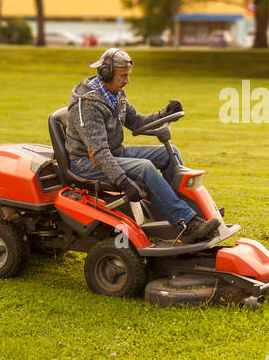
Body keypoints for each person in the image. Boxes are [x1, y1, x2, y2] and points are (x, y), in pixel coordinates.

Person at [65, 48, 221, 244]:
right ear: (106, 73)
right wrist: (123, 181)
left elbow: (137, 122)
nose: (127, 81)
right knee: (144, 168)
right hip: (87, 162)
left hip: (114, 153)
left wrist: (164, 113)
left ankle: (192, 214)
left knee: (169, 152)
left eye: (128, 76)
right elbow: (99, 152)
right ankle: (187, 224)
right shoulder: (88, 103)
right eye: (123, 76)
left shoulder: (115, 93)